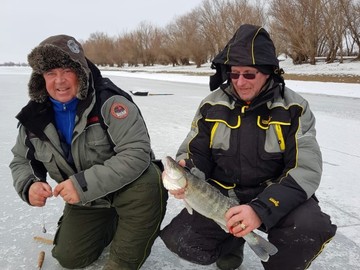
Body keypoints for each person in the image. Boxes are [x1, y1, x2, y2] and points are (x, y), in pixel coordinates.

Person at [160, 24, 337, 270]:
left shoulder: (294, 109)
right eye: (234, 74)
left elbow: (305, 170)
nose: (240, 82)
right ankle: (231, 245)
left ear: (268, 73)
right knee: (183, 241)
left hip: (272, 196)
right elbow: (194, 152)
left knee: (309, 228)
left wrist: (260, 210)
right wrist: (187, 171)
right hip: (223, 196)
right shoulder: (211, 105)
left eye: (249, 74)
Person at [9, 34, 168, 270]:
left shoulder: (109, 102)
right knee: (69, 258)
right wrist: (29, 184)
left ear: (80, 72)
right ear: (41, 78)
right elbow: (21, 160)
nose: (59, 81)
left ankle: (125, 255)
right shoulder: (33, 118)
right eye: (51, 73)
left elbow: (136, 152)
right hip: (88, 201)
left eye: (66, 71)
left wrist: (82, 185)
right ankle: (112, 222)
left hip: (126, 190)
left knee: (149, 181)